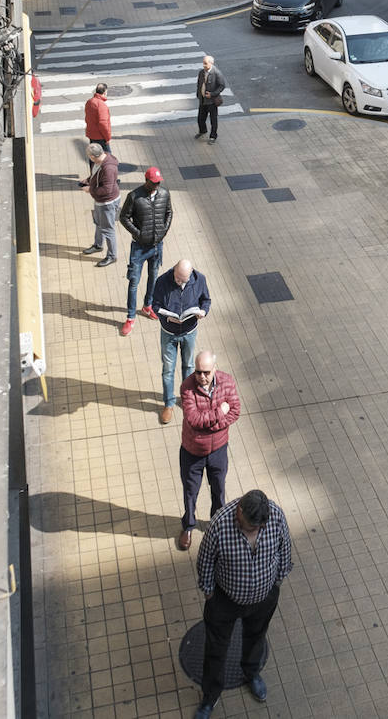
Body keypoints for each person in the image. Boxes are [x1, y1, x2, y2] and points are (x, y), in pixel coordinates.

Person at [194, 490, 293, 716]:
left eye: (257, 528)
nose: (253, 531)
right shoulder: (220, 523)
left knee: (256, 637)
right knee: (216, 648)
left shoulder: (275, 516)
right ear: (239, 510)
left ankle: (251, 673)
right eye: (249, 527)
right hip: (224, 601)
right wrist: (209, 593)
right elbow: (206, 560)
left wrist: (277, 581)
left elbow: (285, 548)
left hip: (263, 598)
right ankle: (210, 696)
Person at [176, 351, 239, 551]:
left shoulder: (227, 382)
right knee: (190, 492)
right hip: (192, 451)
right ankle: (188, 526)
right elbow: (194, 420)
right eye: (198, 372)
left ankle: (217, 525)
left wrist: (211, 424)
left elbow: (236, 410)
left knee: (219, 490)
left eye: (206, 372)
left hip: (218, 450)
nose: (201, 377)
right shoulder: (187, 387)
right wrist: (220, 412)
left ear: (214, 369)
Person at [152, 259, 211, 424]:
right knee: (168, 370)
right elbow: (155, 304)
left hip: (189, 332)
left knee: (189, 366)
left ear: (190, 275)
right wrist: (167, 315)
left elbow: (206, 301)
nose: (179, 282)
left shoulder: (200, 280)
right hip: (169, 332)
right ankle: (169, 404)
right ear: (174, 271)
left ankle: (187, 400)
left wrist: (203, 312)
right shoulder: (163, 281)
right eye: (177, 278)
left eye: (182, 280)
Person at [117, 167, 172, 337]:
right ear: (146, 180)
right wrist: (138, 233)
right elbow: (123, 217)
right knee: (134, 282)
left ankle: (148, 306)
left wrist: (163, 231)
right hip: (139, 248)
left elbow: (169, 213)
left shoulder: (164, 193)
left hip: (157, 246)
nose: (157, 185)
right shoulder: (134, 196)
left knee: (153, 278)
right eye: (154, 182)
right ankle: (130, 317)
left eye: (158, 182)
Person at [79, 143, 120, 267]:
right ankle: (98, 245)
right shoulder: (100, 161)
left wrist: (90, 189)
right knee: (98, 223)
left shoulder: (108, 168)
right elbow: (96, 176)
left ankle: (112, 256)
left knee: (108, 229)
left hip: (107, 202)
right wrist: (88, 180)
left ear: (92, 156)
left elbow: (106, 190)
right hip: (100, 201)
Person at [195, 55, 227, 144]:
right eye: (203, 63)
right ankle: (203, 130)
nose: (203, 65)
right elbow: (199, 84)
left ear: (211, 63)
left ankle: (213, 136)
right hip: (202, 100)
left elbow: (222, 86)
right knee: (200, 118)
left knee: (213, 120)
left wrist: (212, 94)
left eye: (205, 63)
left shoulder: (217, 73)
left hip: (212, 101)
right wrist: (199, 94)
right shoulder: (201, 72)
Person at [84, 82, 111, 171]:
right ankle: (109, 177)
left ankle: (93, 176)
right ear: (104, 92)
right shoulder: (101, 105)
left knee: (93, 156)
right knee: (108, 158)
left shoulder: (89, 102)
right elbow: (103, 124)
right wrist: (107, 138)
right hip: (101, 137)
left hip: (91, 134)